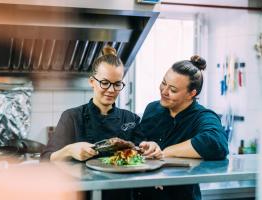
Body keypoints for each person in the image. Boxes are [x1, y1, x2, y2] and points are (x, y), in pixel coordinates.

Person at [41, 46, 161, 199]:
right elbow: (45, 159)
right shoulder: (72, 117)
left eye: (117, 84)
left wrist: (152, 148)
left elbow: (145, 156)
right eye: (105, 83)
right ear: (92, 81)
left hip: (123, 195)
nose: (111, 90)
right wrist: (69, 150)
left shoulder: (131, 119)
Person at [135, 55, 229, 200]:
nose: (164, 91)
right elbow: (139, 145)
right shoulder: (152, 108)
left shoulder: (202, 116)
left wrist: (165, 153)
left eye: (173, 89)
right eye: (163, 83)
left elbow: (215, 142)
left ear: (192, 94)